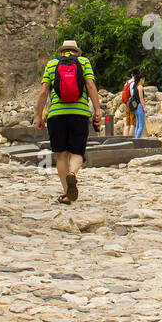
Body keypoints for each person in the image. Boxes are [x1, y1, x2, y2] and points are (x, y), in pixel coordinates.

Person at [34, 39, 103, 204]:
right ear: (76, 52)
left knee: (61, 155)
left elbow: (44, 91)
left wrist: (38, 115)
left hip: (56, 115)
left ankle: (67, 193)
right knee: (77, 153)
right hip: (79, 114)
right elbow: (90, 85)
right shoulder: (84, 62)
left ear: (61, 52)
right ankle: (72, 174)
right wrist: (97, 110)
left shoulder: (52, 64)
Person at [123, 68, 146, 138]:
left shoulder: (127, 83)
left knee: (127, 123)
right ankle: (135, 139)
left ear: (132, 75)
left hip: (128, 104)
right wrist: (144, 107)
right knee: (134, 124)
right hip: (135, 105)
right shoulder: (138, 86)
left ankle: (126, 139)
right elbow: (140, 98)